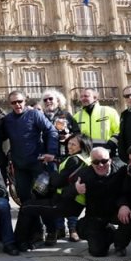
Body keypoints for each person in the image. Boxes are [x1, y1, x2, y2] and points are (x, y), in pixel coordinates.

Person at [14, 134, 91, 250]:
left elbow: (57, 182)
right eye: (69, 143)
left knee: (26, 207)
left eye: (73, 144)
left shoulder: (74, 160)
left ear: (82, 146)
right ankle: (47, 233)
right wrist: (55, 159)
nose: (69, 146)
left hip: (65, 203)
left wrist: (49, 169)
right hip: (73, 202)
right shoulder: (85, 158)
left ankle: (18, 243)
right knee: (39, 199)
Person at [0, 90, 58, 204]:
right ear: (10, 104)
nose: (17, 104)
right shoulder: (7, 119)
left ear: (25, 101)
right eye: (13, 102)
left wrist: (51, 152)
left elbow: (51, 130)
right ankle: (34, 222)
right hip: (20, 166)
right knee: (24, 198)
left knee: (43, 196)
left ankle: (49, 222)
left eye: (20, 101)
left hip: (38, 163)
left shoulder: (34, 114)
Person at [74, 147, 131, 256]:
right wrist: (75, 189)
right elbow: (64, 191)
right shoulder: (84, 174)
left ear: (110, 160)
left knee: (130, 217)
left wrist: (124, 205)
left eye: (104, 161)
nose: (100, 165)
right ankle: (108, 233)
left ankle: (120, 245)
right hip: (96, 215)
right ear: (91, 163)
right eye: (96, 162)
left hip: (116, 211)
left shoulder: (121, 170)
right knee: (97, 252)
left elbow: (129, 191)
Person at [42, 89, 80, 243]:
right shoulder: (41, 116)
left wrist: (68, 136)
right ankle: (59, 228)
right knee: (54, 194)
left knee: (70, 192)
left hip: (67, 158)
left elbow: (78, 134)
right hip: (50, 160)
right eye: (45, 100)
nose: (48, 102)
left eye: (51, 99)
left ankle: (73, 228)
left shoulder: (67, 116)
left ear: (58, 101)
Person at [72, 87, 120, 157]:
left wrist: (110, 145)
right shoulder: (76, 116)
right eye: (81, 97)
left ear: (95, 97)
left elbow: (118, 131)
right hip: (86, 154)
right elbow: (76, 135)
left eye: (86, 96)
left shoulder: (110, 111)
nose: (83, 99)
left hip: (107, 152)